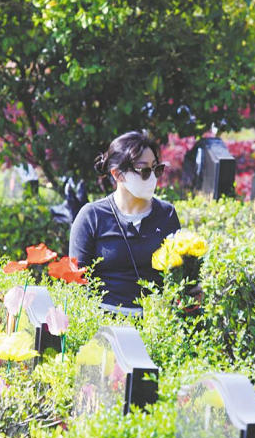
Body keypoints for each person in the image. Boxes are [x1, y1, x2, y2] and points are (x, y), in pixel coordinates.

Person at [69, 131, 180, 316]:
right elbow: (76, 283)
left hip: (156, 325)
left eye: (156, 169)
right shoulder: (92, 216)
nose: (152, 177)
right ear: (117, 174)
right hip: (104, 323)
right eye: (144, 170)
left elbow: (178, 274)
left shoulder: (166, 214)